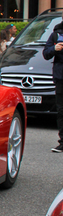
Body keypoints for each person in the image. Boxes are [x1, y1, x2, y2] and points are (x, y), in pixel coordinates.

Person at [43, 20, 63, 152]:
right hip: (60, 77)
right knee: (61, 111)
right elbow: (46, 53)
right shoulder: (57, 33)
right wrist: (54, 49)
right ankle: (62, 142)